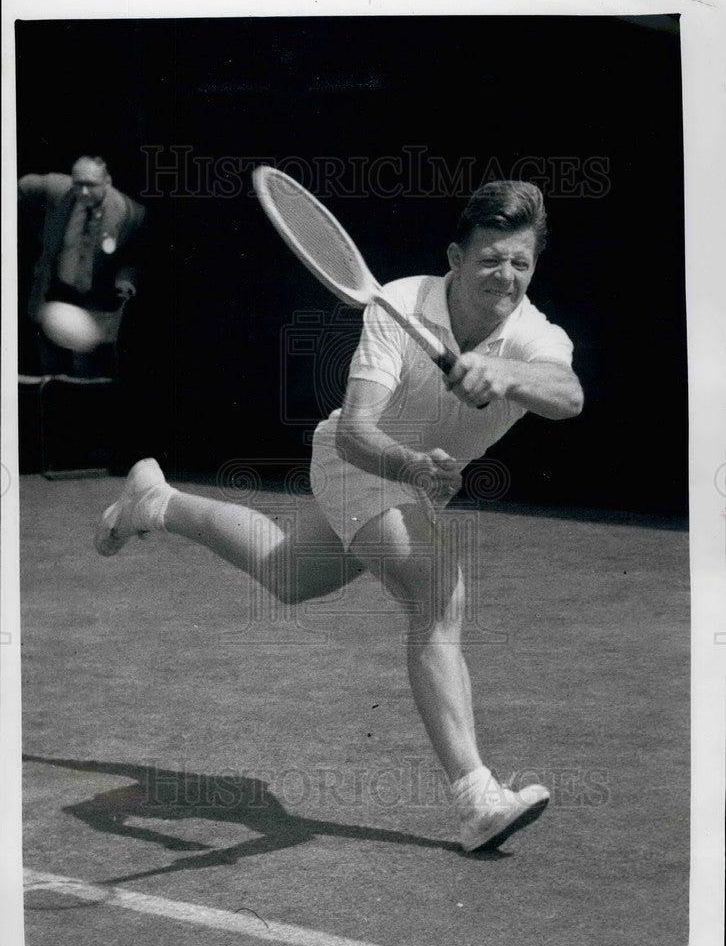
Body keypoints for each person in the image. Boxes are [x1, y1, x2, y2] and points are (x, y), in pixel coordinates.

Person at [94, 180, 583, 853]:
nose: (506, 276)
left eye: (520, 263)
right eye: (491, 259)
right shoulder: (397, 305)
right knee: (437, 593)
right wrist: (412, 467)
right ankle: (475, 797)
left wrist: (505, 378)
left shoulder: (534, 334)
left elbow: (570, 396)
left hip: (416, 485)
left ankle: (156, 501)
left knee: (287, 572)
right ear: (455, 257)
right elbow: (356, 430)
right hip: (358, 464)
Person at [18, 155, 147, 378]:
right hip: (55, 296)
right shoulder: (57, 188)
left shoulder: (131, 214)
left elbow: (134, 257)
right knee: (50, 371)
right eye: (78, 184)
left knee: (86, 376)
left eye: (91, 185)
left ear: (107, 181)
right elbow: (22, 186)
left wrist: (126, 279)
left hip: (96, 303)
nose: (83, 192)